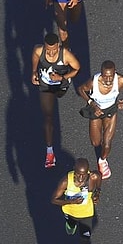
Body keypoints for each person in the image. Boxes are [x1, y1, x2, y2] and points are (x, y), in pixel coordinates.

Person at [32, 33, 81, 168]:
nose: (52, 53)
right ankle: (49, 152)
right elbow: (35, 56)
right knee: (48, 116)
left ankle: (60, 90)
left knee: (59, 95)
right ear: (44, 46)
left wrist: (62, 78)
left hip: (61, 85)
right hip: (46, 86)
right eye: (48, 50)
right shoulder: (38, 50)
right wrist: (34, 72)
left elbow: (77, 68)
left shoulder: (65, 55)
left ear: (58, 46)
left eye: (54, 50)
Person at [77, 61, 123, 179]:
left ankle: (102, 160)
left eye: (110, 76)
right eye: (105, 76)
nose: (108, 80)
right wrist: (92, 104)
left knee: (106, 144)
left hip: (111, 111)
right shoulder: (94, 82)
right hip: (96, 111)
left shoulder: (121, 81)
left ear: (114, 73)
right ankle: (101, 154)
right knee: (96, 142)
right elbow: (81, 89)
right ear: (101, 74)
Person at [51, 157, 101, 244]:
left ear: (88, 172)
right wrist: (71, 202)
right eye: (78, 174)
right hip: (70, 213)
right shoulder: (65, 181)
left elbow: (99, 178)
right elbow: (54, 200)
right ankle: (70, 225)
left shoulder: (93, 177)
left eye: (84, 174)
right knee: (71, 225)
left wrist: (97, 194)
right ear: (74, 170)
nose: (81, 177)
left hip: (86, 215)